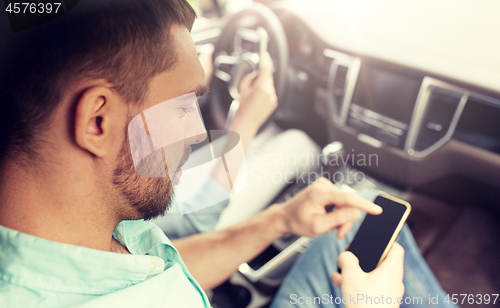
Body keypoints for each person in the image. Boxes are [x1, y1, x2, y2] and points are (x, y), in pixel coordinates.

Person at [0, 1, 455, 307]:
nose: (198, 133)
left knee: (356, 219)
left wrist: (280, 221)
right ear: (98, 121)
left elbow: (165, 260)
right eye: (182, 107)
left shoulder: (90, 227)